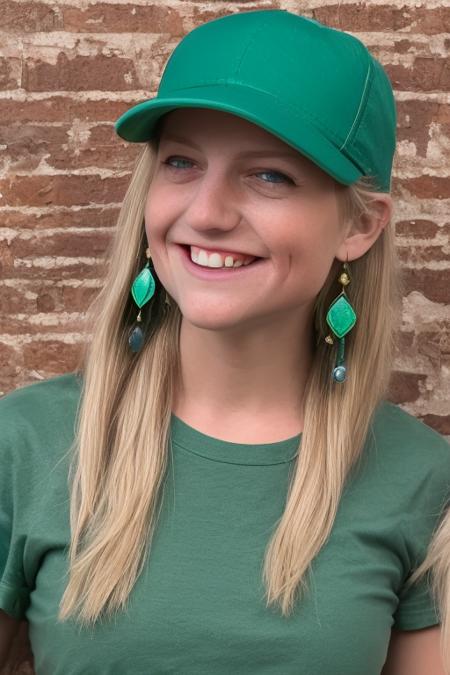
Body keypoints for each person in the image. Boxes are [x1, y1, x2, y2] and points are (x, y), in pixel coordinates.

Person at [0, 9, 449, 675]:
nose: (207, 213)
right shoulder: (25, 444)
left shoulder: (422, 479)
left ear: (359, 225)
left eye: (270, 175)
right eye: (182, 161)